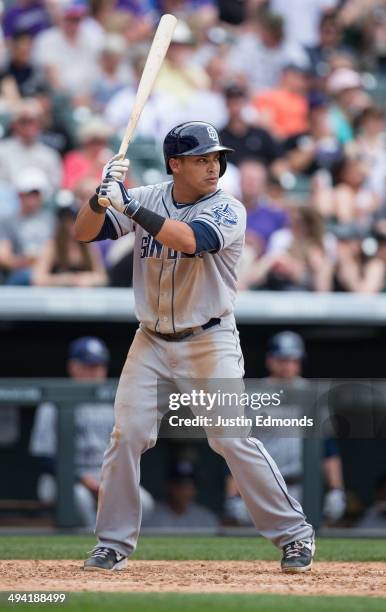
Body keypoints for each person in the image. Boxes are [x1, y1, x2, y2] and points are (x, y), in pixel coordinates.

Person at [74, 120, 315, 573]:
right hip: (150, 340)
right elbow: (85, 233)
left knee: (230, 438)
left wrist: (128, 203)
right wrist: (99, 195)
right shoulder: (146, 196)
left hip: (209, 340)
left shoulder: (229, 209)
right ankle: (113, 543)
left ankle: (294, 535)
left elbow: (190, 241)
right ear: (175, 164)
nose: (212, 166)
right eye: (201, 159)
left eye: (215, 158)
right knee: (126, 436)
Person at [29, 336, 155, 528]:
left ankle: (124, 548)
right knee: (80, 499)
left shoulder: (117, 403)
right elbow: (44, 458)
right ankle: (93, 547)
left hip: (105, 475)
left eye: (99, 365)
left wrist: (112, 480)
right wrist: (83, 480)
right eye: (89, 366)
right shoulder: (52, 405)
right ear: (73, 367)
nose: (95, 372)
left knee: (144, 502)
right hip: (65, 478)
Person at [225, 331, 346, 525]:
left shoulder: (312, 396)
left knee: (304, 544)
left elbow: (328, 448)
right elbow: (237, 449)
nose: (287, 365)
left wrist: (336, 489)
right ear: (270, 360)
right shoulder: (253, 396)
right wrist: (233, 494)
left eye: (292, 360)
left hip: (302, 487)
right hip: (261, 486)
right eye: (282, 359)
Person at [0, 168, 53, 285]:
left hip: (47, 272)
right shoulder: (8, 221)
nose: (33, 199)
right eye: (29, 194)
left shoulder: (51, 219)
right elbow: (3, 256)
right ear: (20, 195)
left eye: (36, 194)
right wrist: (24, 262)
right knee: (29, 274)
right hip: (19, 274)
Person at [32, 205, 107, 287]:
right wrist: (64, 279)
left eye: (78, 219)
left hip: (84, 297)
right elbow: (38, 279)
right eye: (70, 220)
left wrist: (89, 279)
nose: (74, 224)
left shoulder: (89, 245)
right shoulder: (52, 246)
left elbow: (103, 278)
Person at [142, 459, 218, 529]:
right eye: (181, 485)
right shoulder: (150, 515)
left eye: (190, 486)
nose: (185, 491)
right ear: (168, 485)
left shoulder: (205, 518)